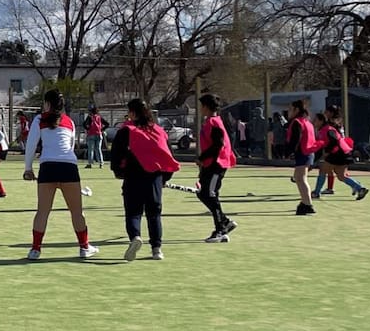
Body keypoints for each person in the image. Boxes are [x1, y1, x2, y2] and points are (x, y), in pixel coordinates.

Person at [22, 89, 97, 261]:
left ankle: (35, 250)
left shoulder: (39, 120)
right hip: (69, 168)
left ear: (47, 104)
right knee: (77, 212)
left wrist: (28, 168)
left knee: (42, 212)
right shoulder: (69, 122)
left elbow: (31, 145)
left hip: (48, 168)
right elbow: (70, 148)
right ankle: (84, 247)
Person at [110, 98, 181, 261]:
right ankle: (156, 249)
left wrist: (119, 172)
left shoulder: (126, 131)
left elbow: (116, 154)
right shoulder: (158, 130)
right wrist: (164, 178)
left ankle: (135, 236)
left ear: (132, 113)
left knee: (133, 213)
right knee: (154, 214)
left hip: (133, 176)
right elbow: (168, 154)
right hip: (155, 177)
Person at [197, 94, 237, 243]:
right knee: (202, 194)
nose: (201, 109)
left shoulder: (214, 123)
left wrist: (202, 158)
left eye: (201, 106)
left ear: (206, 107)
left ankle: (220, 230)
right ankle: (225, 221)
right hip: (210, 164)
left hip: (217, 164)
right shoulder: (210, 122)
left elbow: (218, 145)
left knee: (210, 194)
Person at [313, 106, 369, 201]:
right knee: (341, 176)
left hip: (337, 153)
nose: (314, 122)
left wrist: (327, 151)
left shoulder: (327, 129)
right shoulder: (326, 129)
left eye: (316, 120)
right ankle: (360, 188)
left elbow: (334, 141)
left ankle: (316, 193)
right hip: (345, 152)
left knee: (323, 170)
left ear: (321, 121)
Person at [286, 100, 321, 215]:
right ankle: (305, 203)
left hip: (303, 153)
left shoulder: (297, 122)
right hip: (309, 153)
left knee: (301, 179)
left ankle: (307, 204)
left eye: (291, 109)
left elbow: (295, 139)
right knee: (298, 177)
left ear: (296, 110)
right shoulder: (308, 122)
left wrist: (288, 152)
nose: (288, 111)